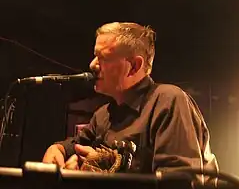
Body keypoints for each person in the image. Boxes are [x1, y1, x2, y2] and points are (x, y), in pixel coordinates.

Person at [42, 22, 218, 176]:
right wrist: (58, 149)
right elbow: (75, 144)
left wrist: (111, 172)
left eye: (103, 57)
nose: (92, 65)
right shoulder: (103, 115)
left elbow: (181, 183)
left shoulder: (168, 101)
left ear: (134, 66)